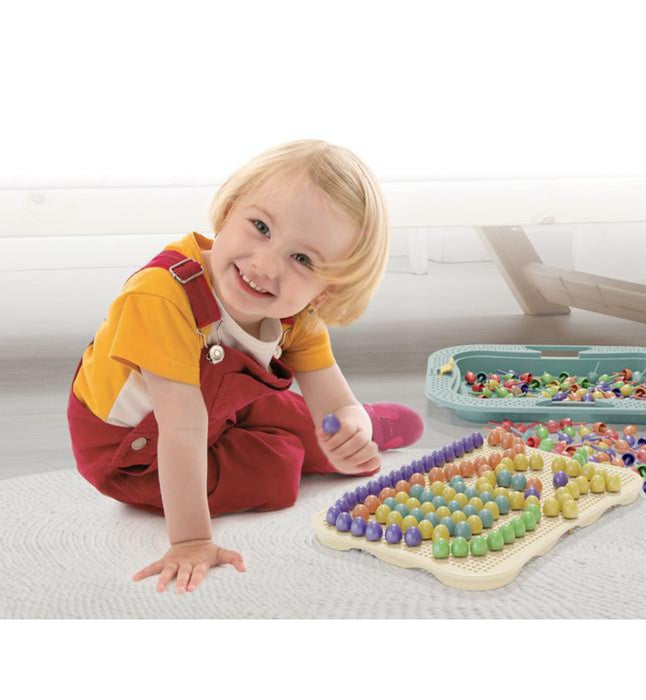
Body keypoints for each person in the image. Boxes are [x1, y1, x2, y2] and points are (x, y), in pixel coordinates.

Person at [67, 139, 424, 595]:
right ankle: (301, 449)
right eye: (260, 227)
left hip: (214, 410)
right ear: (230, 209)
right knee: (277, 469)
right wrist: (191, 541)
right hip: (135, 452)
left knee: (299, 415)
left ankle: (363, 431)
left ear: (325, 292)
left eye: (302, 259)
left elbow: (330, 392)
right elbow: (182, 430)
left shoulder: (298, 315)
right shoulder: (160, 298)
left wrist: (349, 422)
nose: (264, 265)